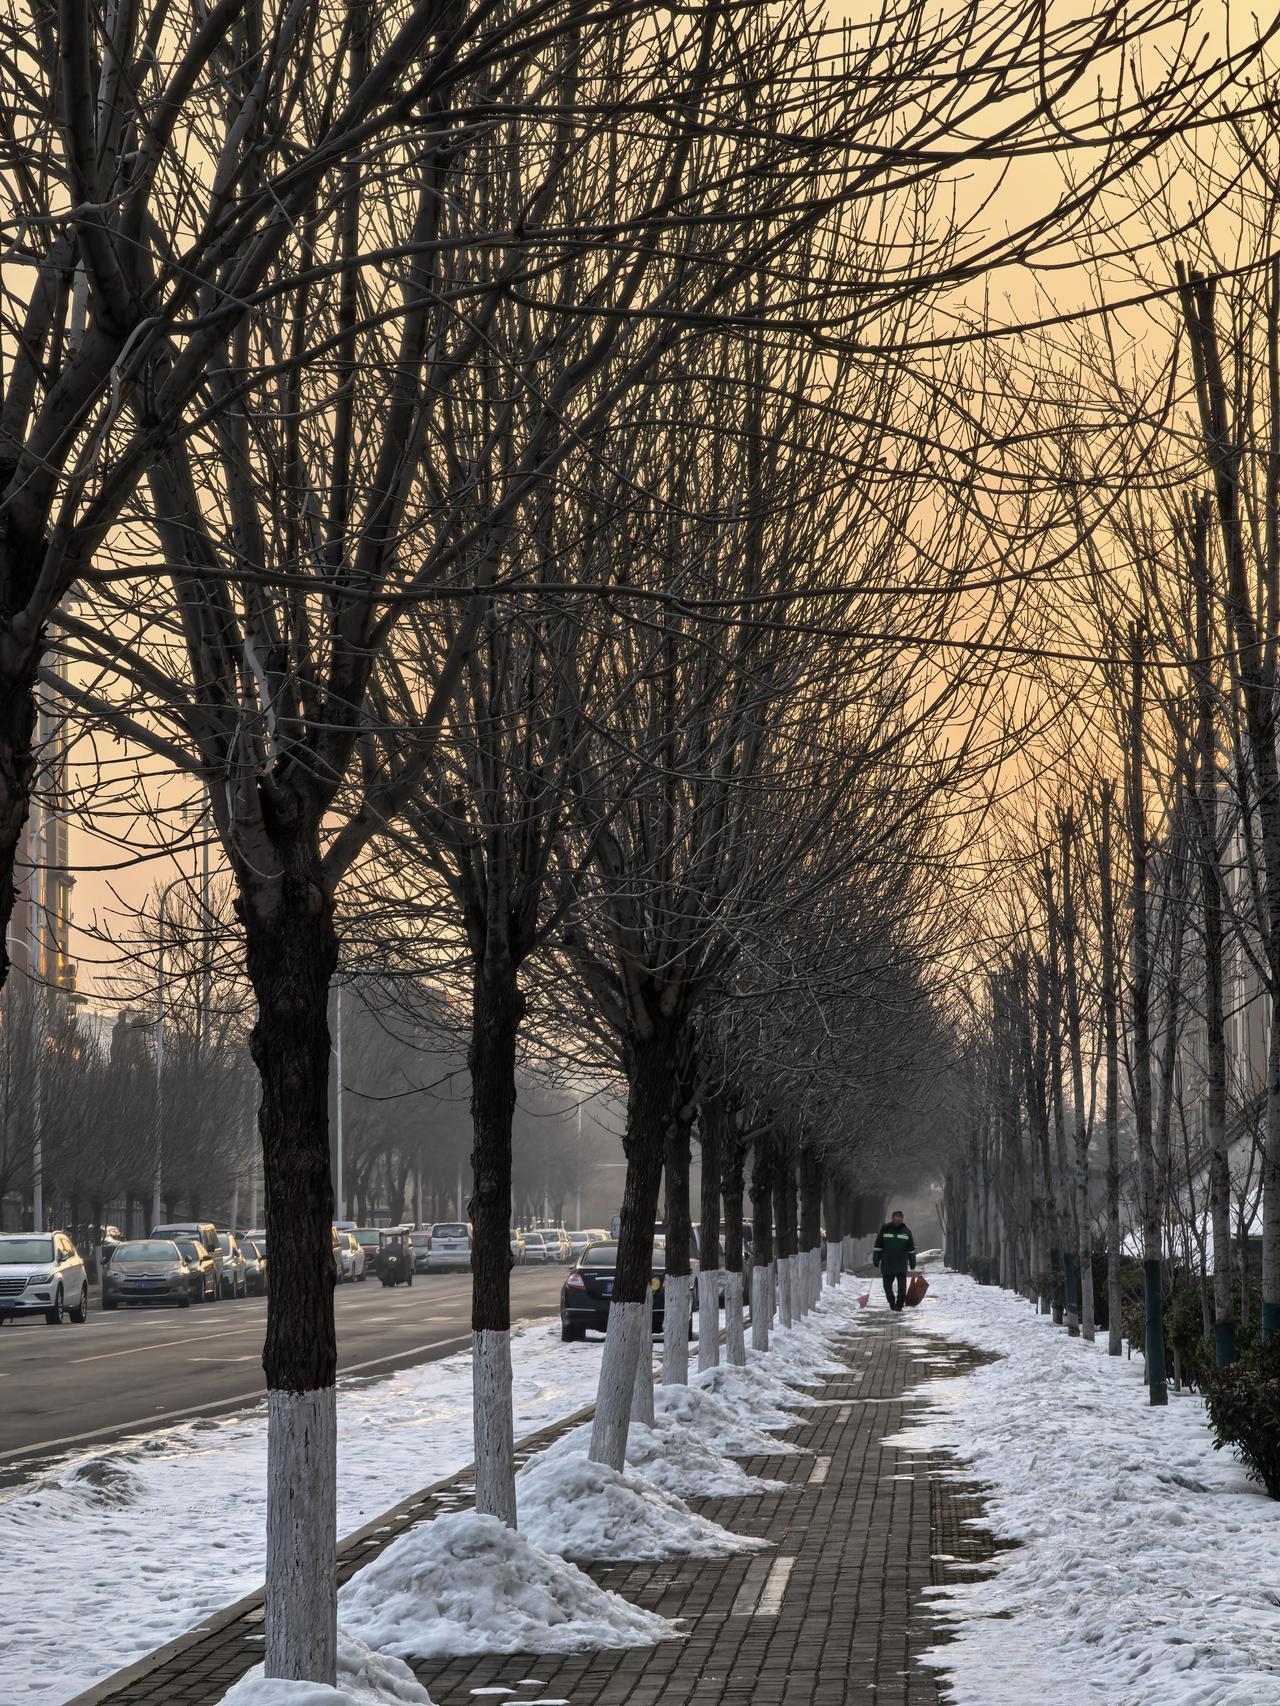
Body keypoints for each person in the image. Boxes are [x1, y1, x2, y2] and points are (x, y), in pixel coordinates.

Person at [872, 1210, 916, 1310]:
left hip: (901, 1264)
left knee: (902, 1289)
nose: (897, 1219)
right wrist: (876, 1259)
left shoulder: (906, 1232)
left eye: (900, 1217)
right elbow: (878, 1245)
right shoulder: (885, 1229)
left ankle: (899, 1306)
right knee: (887, 1288)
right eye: (896, 1217)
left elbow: (911, 1249)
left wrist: (913, 1262)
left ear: (902, 1219)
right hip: (887, 1263)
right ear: (892, 1218)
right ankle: (892, 1303)